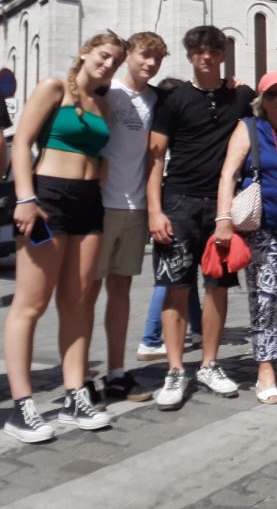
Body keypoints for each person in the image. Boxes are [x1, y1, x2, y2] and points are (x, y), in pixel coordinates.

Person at [4, 32, 126, 442]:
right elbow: (21, 142)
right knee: (31, 304)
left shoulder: (102, 104)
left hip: (89, 202)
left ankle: (75, 394)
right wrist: (25, 197)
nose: (108, 64)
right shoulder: (54, 88)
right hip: (48, 199)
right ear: (86, 52)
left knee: (78, 301)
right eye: (104, 56)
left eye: (115, 61)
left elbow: (96, 154)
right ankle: (23, 406)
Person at [147, 26, 255, 411]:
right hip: (178, 203)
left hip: (221, 206)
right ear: (190, 56)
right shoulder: (174, 99)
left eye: (212, 50)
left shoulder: (241, 96)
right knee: (175, 286)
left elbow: (269, 114)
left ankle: (209, 363)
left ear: (222, 54)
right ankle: (175, 370)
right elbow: (156, 157)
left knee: (218, 286)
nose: (206, 56)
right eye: (198, 50)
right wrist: (155, 210)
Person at [84, 32, 167, 407]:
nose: (150, 64)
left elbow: (153, 158)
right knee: (85, 294)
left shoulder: (154, 99)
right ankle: (80, 375)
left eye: (157, 59)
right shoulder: (107, 91)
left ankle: (116, 373)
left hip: (133, 208)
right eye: (144, 56)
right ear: (129, 55)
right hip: (99, 204)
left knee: (120, 293)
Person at [214, 72, 277, 406]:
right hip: (261, 228)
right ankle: (265, 368)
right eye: (272, 95)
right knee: (265, 300)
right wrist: (223, 219)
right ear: (262, 100)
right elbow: (228, 173)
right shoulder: (250, 128)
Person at [136, 77, 203, 363]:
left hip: (171, 198)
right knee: (170, 273)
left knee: (184, 273)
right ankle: (151, 339)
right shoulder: (167, 124)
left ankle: (198, 329)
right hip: (172, 199)